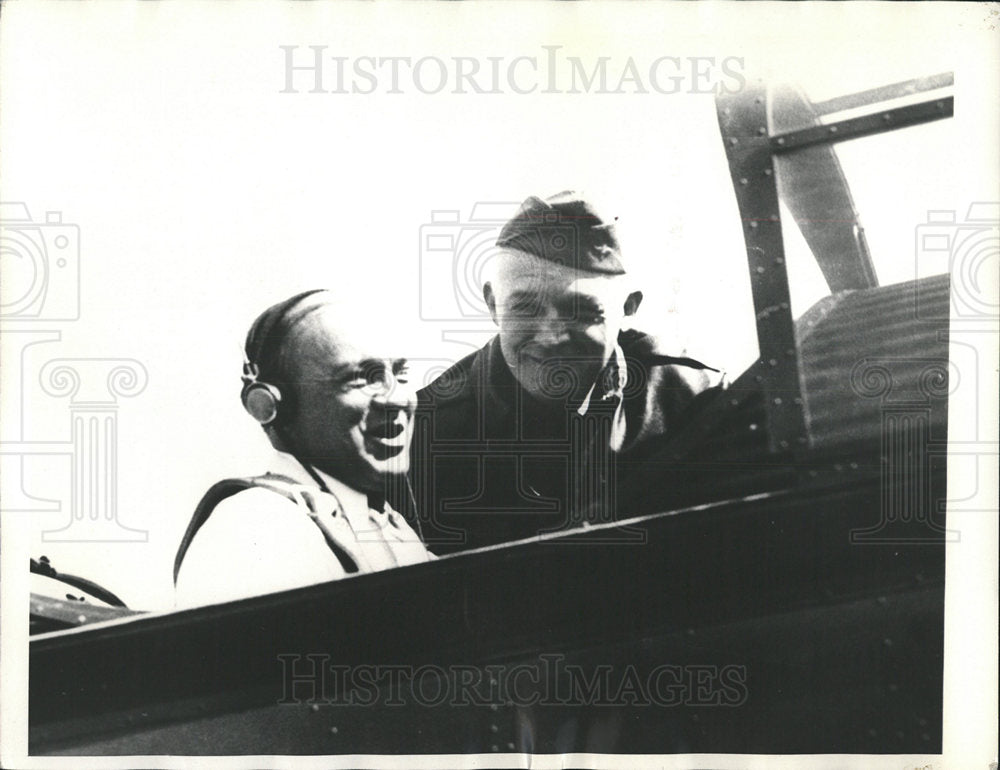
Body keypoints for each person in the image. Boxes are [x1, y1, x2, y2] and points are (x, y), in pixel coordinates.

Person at [409, 192, 724, 554]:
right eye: (525, 308)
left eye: (581, 311)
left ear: (628, 308)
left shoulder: (692, 399)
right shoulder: (421, 436)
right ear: (493, 305)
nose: (550, 336)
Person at [174, 290, 432, 607]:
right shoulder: (258, 527)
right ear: (271, 405)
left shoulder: (385, 523)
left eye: (400, 374)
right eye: (361, 379)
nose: (397, 399)